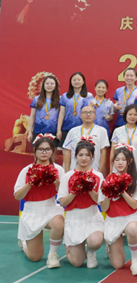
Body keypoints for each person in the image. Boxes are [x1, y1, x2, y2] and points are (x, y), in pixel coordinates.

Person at [14, 134, 65, 268]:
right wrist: (31, 182)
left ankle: (53, 255)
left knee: (59, 223)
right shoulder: (26, 170)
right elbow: (17, 196)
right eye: (41, 149)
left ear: (52, 151)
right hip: (31, 211)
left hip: (51, 208)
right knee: (35, 257)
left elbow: (64, 193)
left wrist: (55, 180)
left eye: (47, 149)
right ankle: (24, 242)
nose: (44, 152)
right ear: (35, 151)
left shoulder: (58, 170)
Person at [57, 139, 105, 268]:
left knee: (95, 242)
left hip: (92, 216)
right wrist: (74, 191)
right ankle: (69, 244)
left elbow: (101, 201)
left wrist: (89, 189)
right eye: (80, 155)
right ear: (75, 156)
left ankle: (91, 252)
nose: (84, 158)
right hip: (74, 218)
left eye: (87, 155)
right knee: (77, 263)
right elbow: (62, 202)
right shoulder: (68, 176)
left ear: (92, 157)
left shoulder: (98, 176)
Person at [99, 144, 137, 275]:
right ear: (113, 161)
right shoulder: (107, 180)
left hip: (130, 217)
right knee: (118, 265)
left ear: (130, 161)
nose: (120, 162)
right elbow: (104, 208)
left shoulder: (136, 180)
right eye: (117, 159)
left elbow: (134, 205)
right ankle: (110, 246)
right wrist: (109, 192)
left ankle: (135, 260)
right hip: (113, 219)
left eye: (123, 159)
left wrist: (122, 190)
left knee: (132, 229)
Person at [62, 105, 110, 176]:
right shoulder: (73, 131)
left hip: (94, 170)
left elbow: (103, 152)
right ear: (80, 115)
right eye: (85, 112)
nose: (88, 114)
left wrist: (100, 170)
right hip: (75, 170)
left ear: (95, 115)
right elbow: (68, 151)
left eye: (91, 112)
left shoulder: (102, 131)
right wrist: (67, 172)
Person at [111, 104, 137, 182]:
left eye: (135, 115)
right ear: (125, 115)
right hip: (119, 168)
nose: (132, 117)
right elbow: (112, 151)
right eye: (130, 114)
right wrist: (111, 169)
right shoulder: (117, 131)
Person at [57, 72, 94, 143]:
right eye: (74, 80)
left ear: (83, 82)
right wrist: (59, 130)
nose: (76, 81)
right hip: (67, 127)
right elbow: (61, 113)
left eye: (79, 80)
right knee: (66, 148)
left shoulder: (89, 96)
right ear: (70, 82)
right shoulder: (65, 96)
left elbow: (90, 113)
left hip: (83, 128)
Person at [27, 75, 60, 142]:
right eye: (47, 83)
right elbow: (32, 116)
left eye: (52, 84)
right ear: (43, 85)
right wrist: (30, 132)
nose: (49, 85)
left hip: (54, 132)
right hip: (38, 131)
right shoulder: (36, 99)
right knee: (39, 148)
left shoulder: (60, 99)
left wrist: (59, 131)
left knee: (52, 148)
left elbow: (61, 116)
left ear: (56, 86)